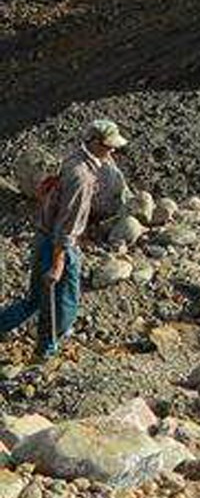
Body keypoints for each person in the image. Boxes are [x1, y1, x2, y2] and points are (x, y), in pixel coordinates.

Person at [0, 119, 127, 364]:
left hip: (44, 236)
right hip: (59, 244)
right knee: (64, 302)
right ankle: (46, 350)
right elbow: (67, 226)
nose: (113, 151)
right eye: (109, 146)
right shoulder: (82, 178)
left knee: (34, 300)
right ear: (94, 143)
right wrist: (58, 263)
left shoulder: (76, 157)